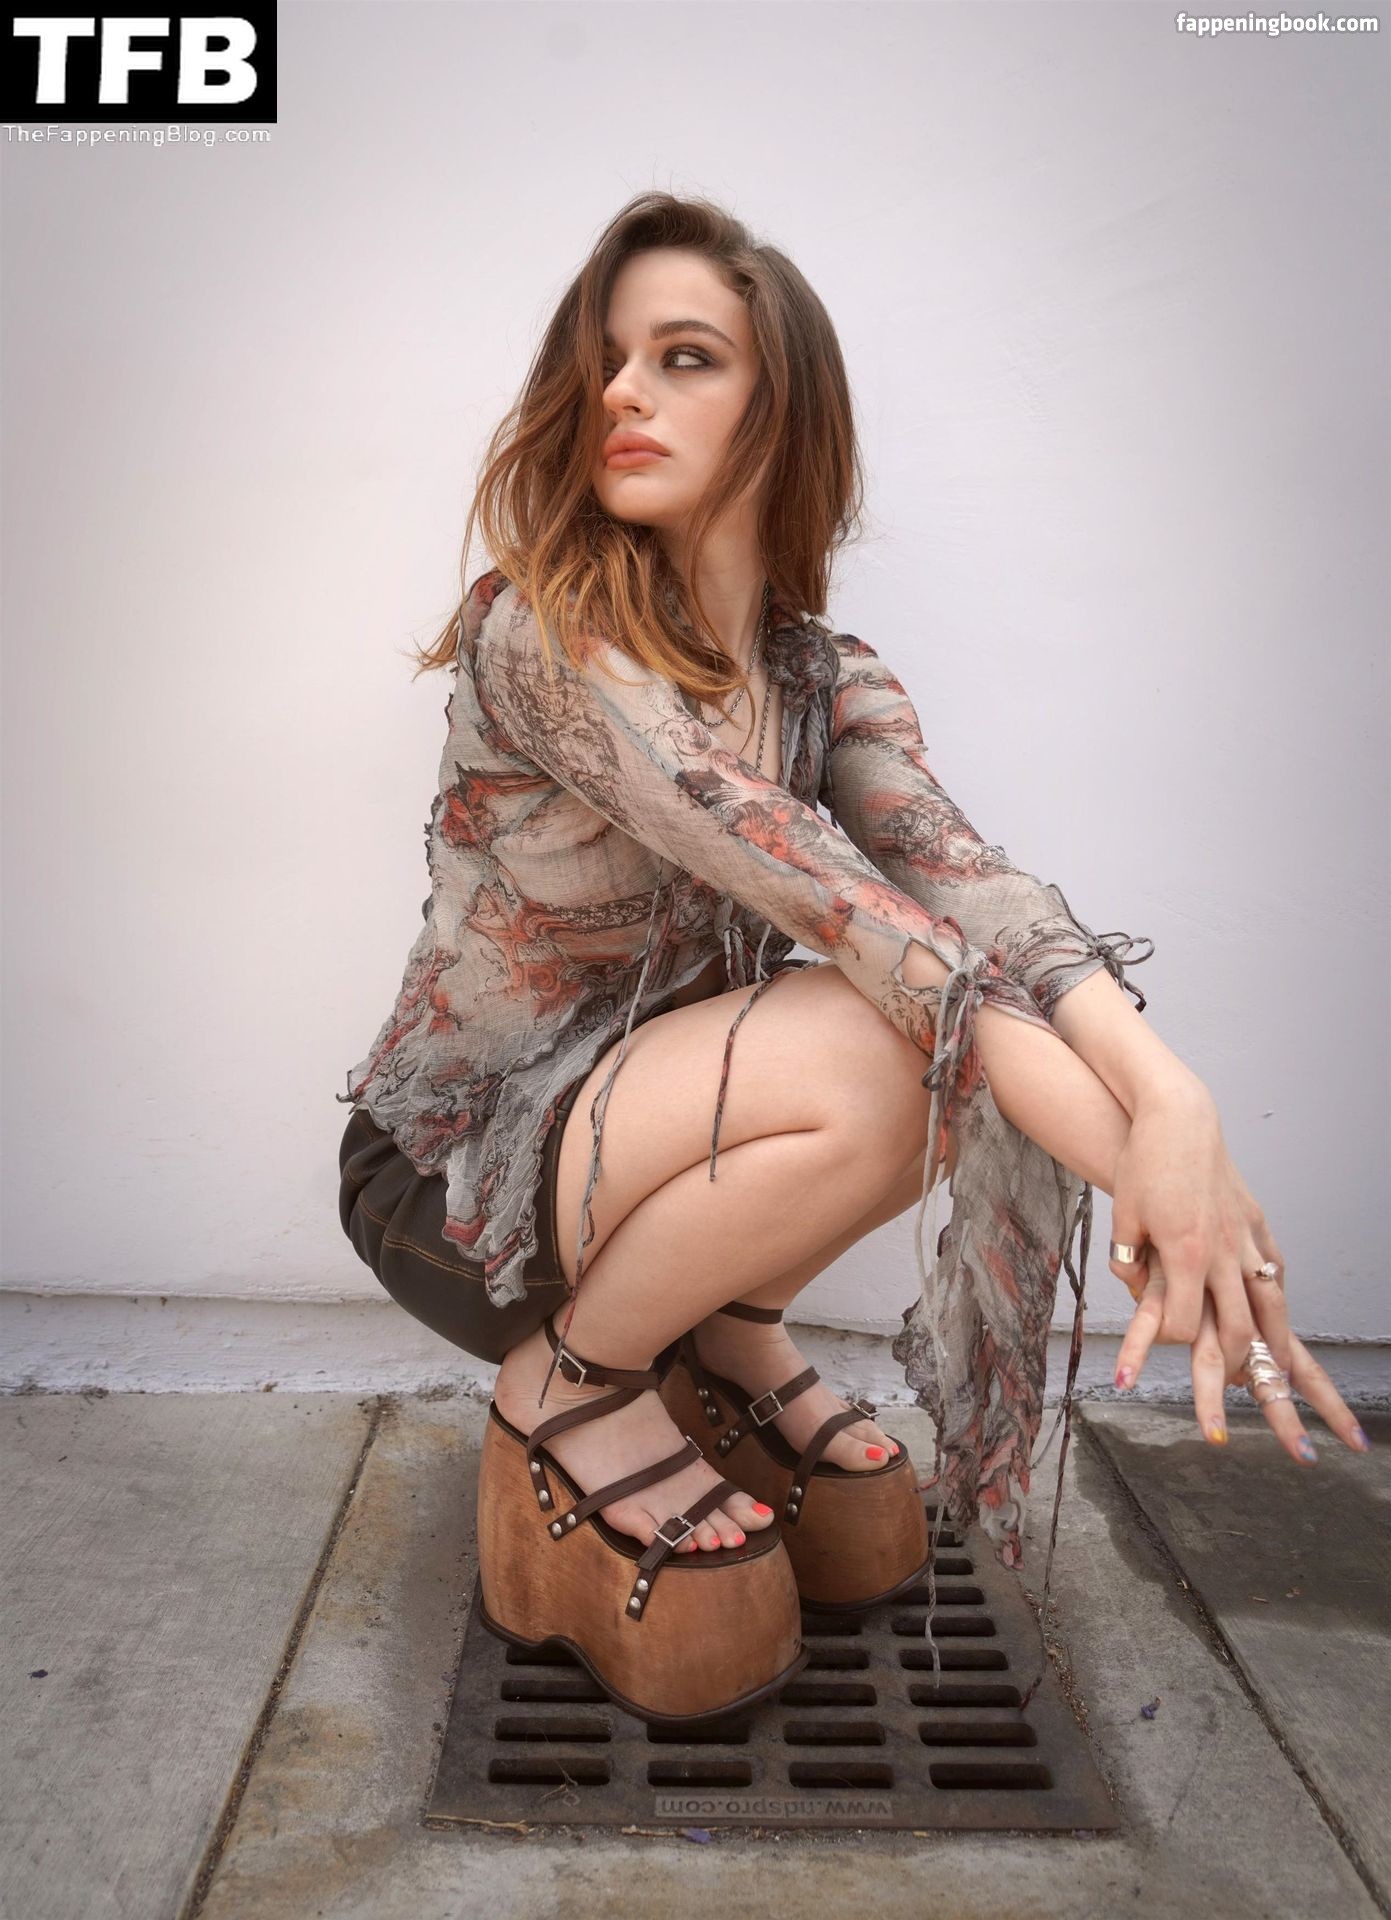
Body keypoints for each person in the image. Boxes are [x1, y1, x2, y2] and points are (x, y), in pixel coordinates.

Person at [336, 191, 1366, 1723]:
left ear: (785, 407)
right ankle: (571, 1381)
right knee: (885, 1030)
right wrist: (1153, 1188)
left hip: (635, 1141)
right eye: (607, 358)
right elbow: (845, 911)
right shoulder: (545, 636)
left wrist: (1177, 1105)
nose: (622, 392)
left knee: (922, 1031)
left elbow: (975, 891)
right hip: (455, 1185)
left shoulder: (825, 674)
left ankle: (723, 1330)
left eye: (685, 357)